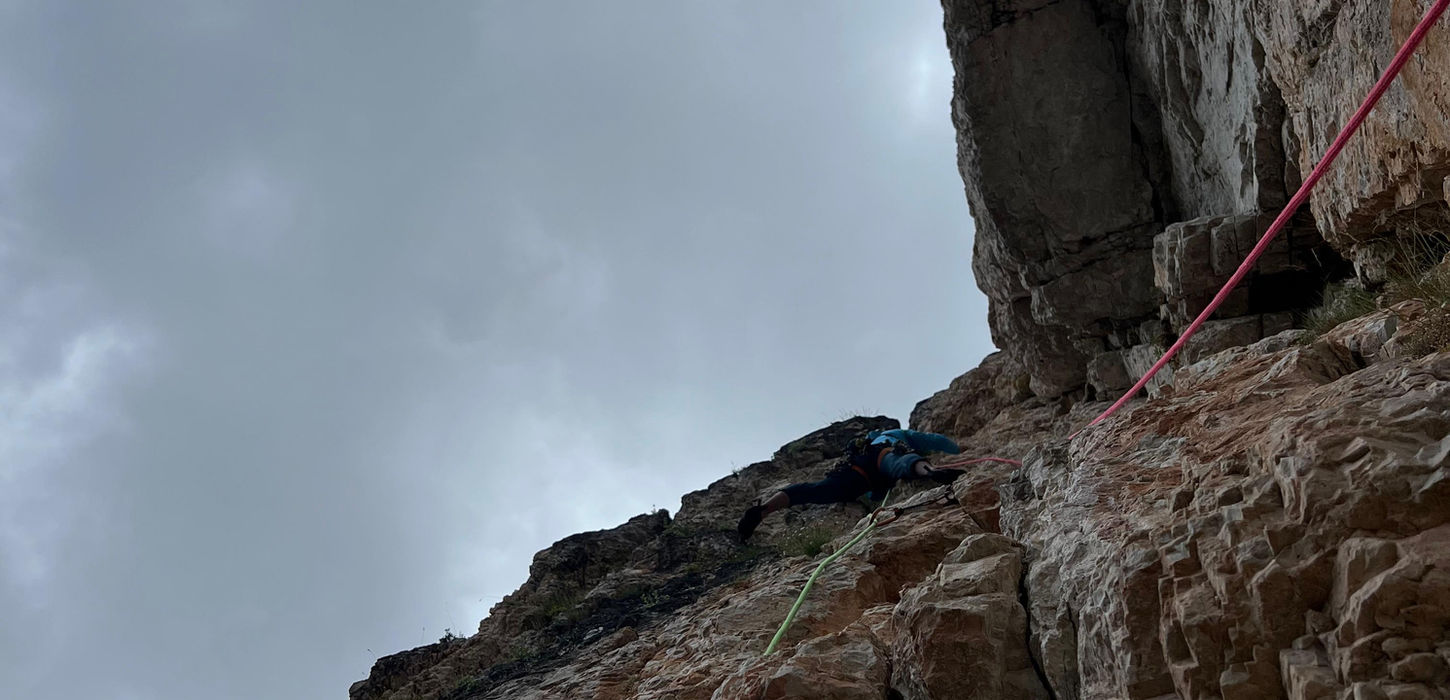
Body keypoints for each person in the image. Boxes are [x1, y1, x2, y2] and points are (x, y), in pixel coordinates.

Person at [736, 428, 965, 540]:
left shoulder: (862, 444)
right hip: (879, 459)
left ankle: (762, 510)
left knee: (815, 491)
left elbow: (875, 496)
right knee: (901, 463)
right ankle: (931, 471)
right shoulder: (895, 435)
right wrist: (957, 449)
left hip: (854, 475)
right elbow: (933, 440)